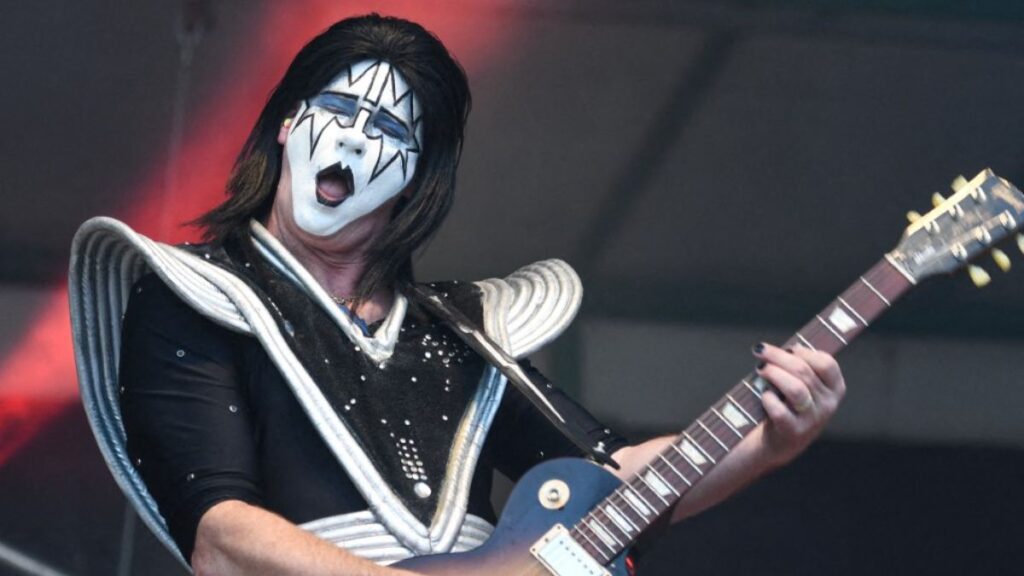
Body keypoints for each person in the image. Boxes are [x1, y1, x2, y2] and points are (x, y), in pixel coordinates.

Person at [69, 14, 845, 576]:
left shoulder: (457, 331)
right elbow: (222, 536)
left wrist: (770, 443)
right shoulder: (196, 295)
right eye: (336, 109)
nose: (352, 138)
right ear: (287, 124)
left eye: (389, 129)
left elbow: (613, 476)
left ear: (416, 177)